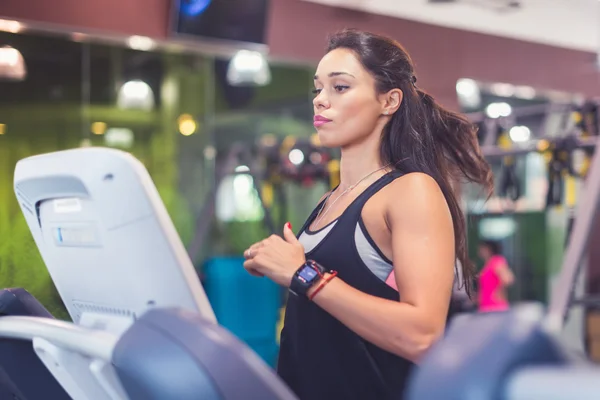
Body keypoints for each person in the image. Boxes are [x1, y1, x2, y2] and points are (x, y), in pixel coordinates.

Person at [242, 29, 493, 400]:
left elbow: (423, 335)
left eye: (340, 87)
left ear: (389, 101)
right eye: (318, 89)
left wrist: (303, 274)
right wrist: (279, 263)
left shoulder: (410, 190)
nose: (320, 101)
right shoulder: (331, 200)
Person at [477, 240, 515, 312]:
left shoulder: (496, 261)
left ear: (488, 249)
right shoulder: (487, 264)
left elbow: (508, 279)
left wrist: (499, 291)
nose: (480, 251)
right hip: (486, 307)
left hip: (495, 307)